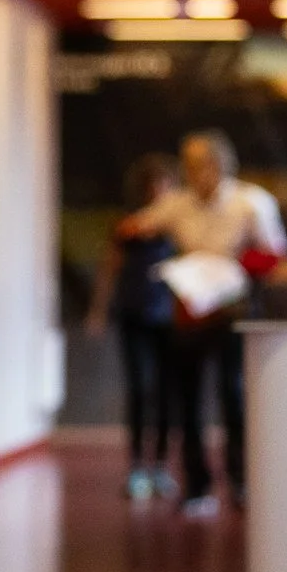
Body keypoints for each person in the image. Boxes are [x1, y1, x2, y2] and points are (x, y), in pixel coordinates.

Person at [119, 130, 287, 518]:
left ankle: (242, 481)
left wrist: (235, 267)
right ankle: (197, 485)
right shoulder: (176, 204)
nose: (197, 173)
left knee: (235, 394)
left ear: (222, 164)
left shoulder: (250, 203)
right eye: (190, 165)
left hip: (234, 307)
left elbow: (275, 254)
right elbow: (135, 227)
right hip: (190, 308)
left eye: (204, 163)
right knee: (189, 399)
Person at [85, 153, 183, 501]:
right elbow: (109, 269)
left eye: (163, 183)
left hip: (170, 316)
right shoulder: (127, 227)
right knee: (140, 389)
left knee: (166, 394)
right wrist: (97, 311)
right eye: (152, 184)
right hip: (135, 313)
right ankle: (138, 466)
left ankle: (160, 465)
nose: (158, 190)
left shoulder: (177, 226)